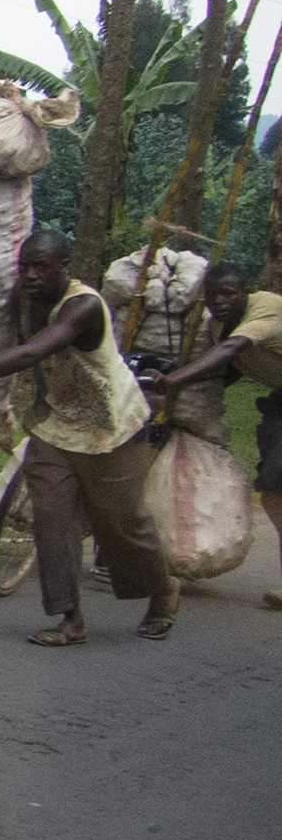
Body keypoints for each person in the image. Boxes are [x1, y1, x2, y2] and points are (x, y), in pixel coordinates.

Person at [0, 229, 180, 644]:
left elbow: (31, 353)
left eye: (41, 267)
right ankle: (69, 618)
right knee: (52, 522)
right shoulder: (23, 300)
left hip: (109, 428)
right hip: (54, 426)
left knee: (123, 524)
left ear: (64, 266)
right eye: (25, 266)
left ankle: (163, 591)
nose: (31, 275)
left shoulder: (84, 306)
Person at [143, 260, 282, 610]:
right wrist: (177, 390)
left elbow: (230, 351)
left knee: (276, 482)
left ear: (245, 292)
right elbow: (224, 371)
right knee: (272, 491)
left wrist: (176, 379)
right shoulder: (218, 327)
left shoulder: (265, 308)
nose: (219, 301)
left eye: (228, 294)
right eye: (212, 295)